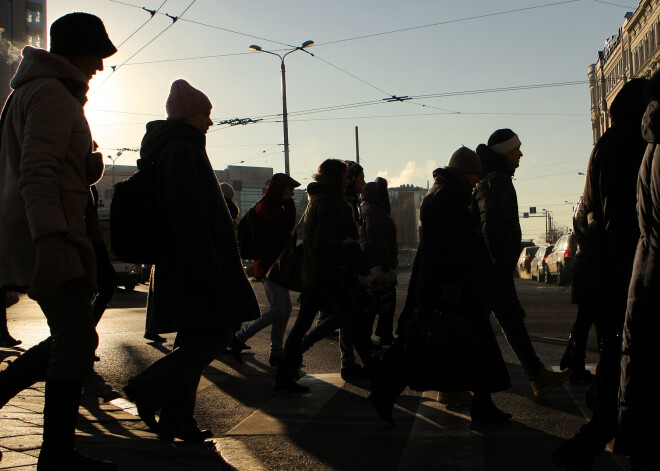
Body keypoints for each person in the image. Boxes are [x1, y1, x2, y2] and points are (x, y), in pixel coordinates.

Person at [0, 12, 117, 470]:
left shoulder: (31, 90)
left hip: (43, 229)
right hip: (51, 232)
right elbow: (38, 172)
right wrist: (50, 241)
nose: (100, 66)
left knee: (72, 334)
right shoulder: (52, 92)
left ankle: (56, 451)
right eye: (96, 54)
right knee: (75, 339)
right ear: (75, 51)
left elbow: (44, 164)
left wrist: (85, 166)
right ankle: (56, 454)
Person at [123, 79, 260, 442]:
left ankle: (176, 420)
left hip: (188, 262)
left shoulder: (177, 147)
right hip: (196, 263)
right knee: (217, 334)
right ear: (190, 115)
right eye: (206, 114)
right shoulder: (182, 149)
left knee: (195, 338)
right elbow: (188, 216)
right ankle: (147, 385)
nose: (211, 122)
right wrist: (208, 264)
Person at [369, 147, 511, 425]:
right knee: (437, 350)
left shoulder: (442, 193)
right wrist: (457, 285)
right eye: (475, 175)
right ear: (464, 172)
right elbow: (452, 248)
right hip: (452, 288)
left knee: (451, 349)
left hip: (444, 286)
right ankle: (385, 395)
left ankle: (482, 405)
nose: (477, 182)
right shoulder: (449, 197)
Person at [550, 78, 650, 471]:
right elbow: (622, 217)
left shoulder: (604, 147)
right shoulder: (631, 145)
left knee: (619, 349)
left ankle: (595, 431)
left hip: (608, 264)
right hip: (622, 263)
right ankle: (600, 430)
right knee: (628, 353)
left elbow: (595, 213)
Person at [473, 129, 571, 398]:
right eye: (516, 149)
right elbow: (491, 225)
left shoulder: (496, 178)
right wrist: (502, 264)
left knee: (510, 322)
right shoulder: (496, 182)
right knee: (476, 329)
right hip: (494, 269)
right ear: (505, 153)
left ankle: (536, 374)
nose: (521, 154)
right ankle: (458, 387)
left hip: (495, 268)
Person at [274, 159, 376, 392]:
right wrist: (345, 263)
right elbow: (329, 243)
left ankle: (283, 377)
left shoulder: (317, 200)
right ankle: (376, 376)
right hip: (330, 276)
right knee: (354, 321)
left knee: (304, 326)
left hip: (315, 274)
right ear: (337, 177)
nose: (348, 179)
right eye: (345, 175)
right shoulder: (331, 203)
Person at [615, 72, 660, 471]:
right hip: (653, 268)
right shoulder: (656, 147)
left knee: (640, 357)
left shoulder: (652, 144)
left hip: (645, 267)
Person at [232, 173, 301, 366]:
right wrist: (288, 203)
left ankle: (276, 352)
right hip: (269, 264)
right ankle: (240, 337)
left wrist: (287, 203)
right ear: (281, 189)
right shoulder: (267, 206)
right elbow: (287, 225)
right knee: (279, 309)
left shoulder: (272, 204)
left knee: (284, 309)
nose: (292, 194)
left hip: (275, 264)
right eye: (289, 190)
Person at [558, 194, 595, 384]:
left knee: (584, 319)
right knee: (590, 320)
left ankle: (572, 363)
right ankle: (574, 364)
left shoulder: (583, 200)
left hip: (585, 263)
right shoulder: (593, 201)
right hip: (594, 264)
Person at [359, 177, 398, 346]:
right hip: (378, 264)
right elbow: (376, 237)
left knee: (375, 302)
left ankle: (373, 336)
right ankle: (382, 335)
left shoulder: (367, 209)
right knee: (385, 300)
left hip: (372, 263)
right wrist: (387, 260)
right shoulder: (374, 211)